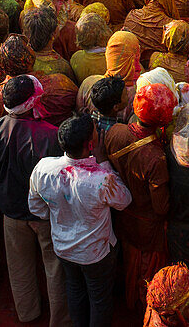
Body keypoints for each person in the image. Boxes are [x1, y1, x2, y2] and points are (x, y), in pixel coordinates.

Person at [0, 74, 69, 327]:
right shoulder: (52, 135)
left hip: (12, 213)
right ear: (34, 102)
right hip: (46, 215)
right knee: (55, 267)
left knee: (19, 267)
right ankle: (59, 319)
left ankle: (27, 313)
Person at [28, 113, 132, 327]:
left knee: (75, 291)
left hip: (63, 248)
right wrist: (103, 162)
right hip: (96, 254)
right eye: (95, 130)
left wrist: (62, 214)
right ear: (91, 144)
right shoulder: (101, 179)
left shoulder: (43, 168)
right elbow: (124, 200)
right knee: (100, 299)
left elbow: (36, 208)